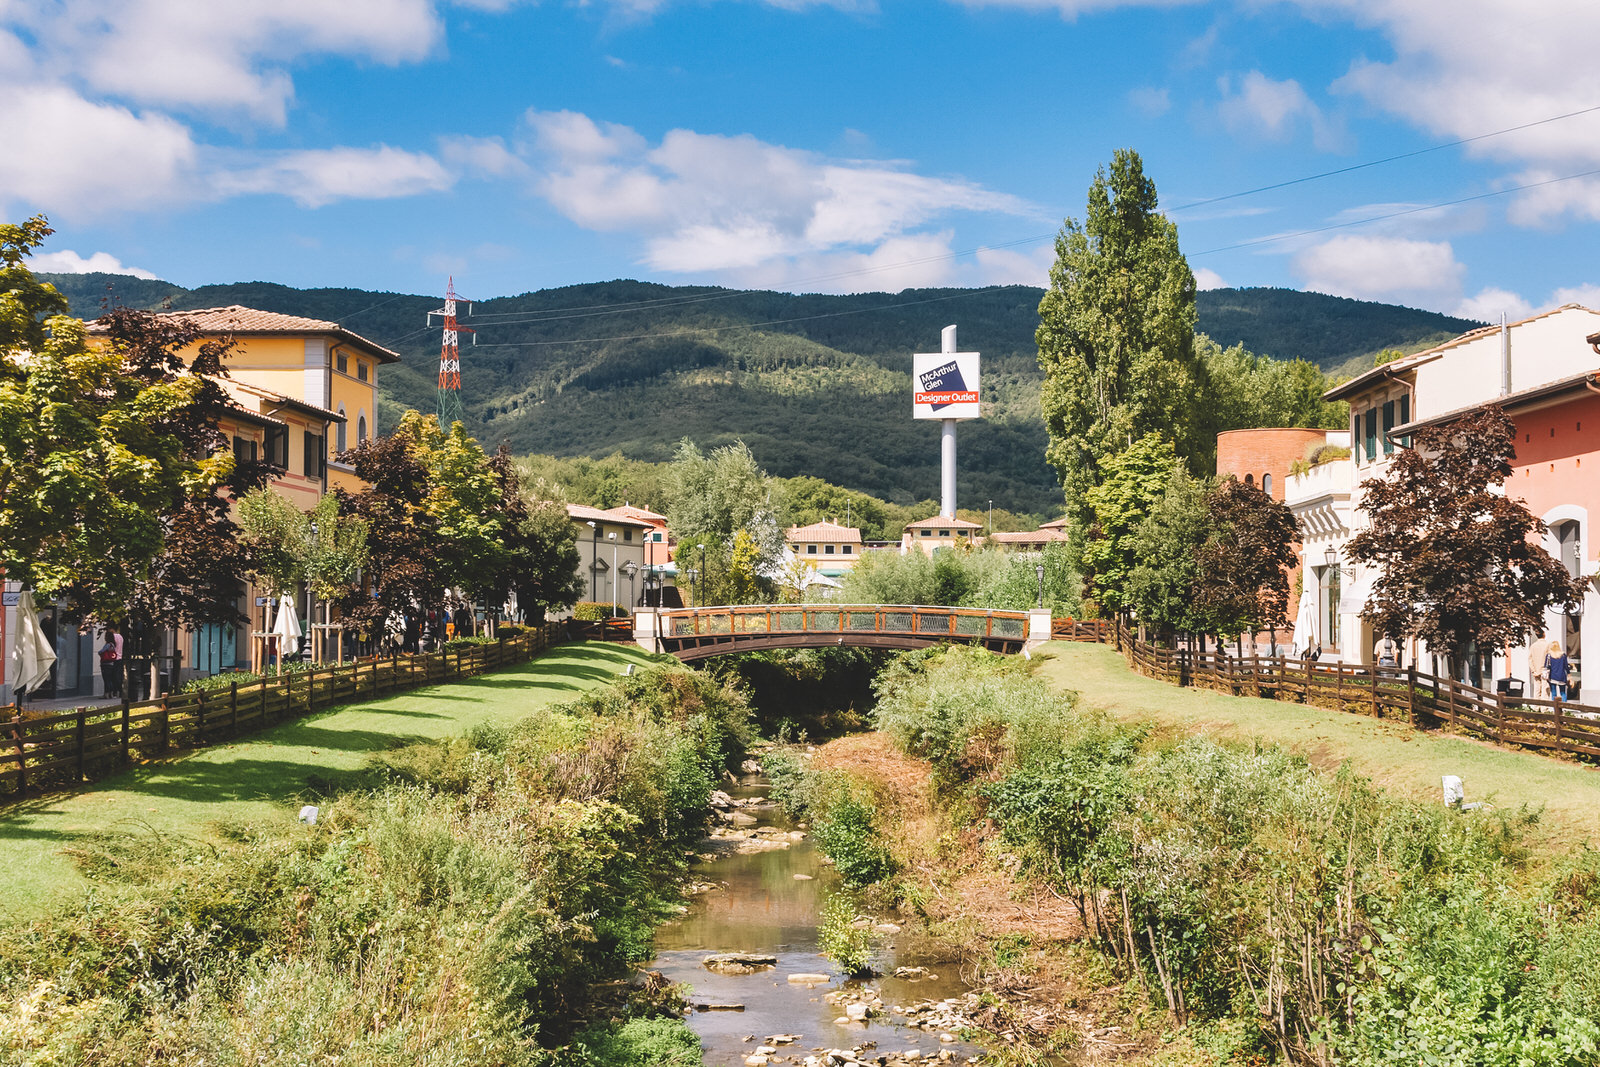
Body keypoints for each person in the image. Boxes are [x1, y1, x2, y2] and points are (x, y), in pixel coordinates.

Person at [99, 625, 124, 699]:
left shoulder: (112, 637)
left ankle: (111, 693)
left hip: (112, 659)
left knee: (110, 677)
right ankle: (119, 692)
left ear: (111, 629)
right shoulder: (120, 637)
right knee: (117, 676)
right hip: (119, 658)